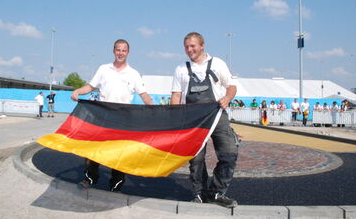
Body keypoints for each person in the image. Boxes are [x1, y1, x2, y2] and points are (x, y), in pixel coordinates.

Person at [71, 39, 153, 192]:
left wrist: (156, 109)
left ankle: (116, 183)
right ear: (113, 51)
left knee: (119, 152)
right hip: (102, 116)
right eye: (118, 50)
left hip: (122, 119)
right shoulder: (103, 69)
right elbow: (90, 86)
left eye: (123, 50)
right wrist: (77, 91)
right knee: (93, 149)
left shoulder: (133, 73)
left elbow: (144, 95)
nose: (120, 53)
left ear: (128, 52)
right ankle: (90, 178)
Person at [171, 32, 238, 207]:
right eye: (186, 47)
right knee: (196, 160)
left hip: (217, 115)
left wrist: (227, 98)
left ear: (202, 46)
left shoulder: (217, 64)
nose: (189, 50)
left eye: (192, 46)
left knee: (230, 153)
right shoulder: (181, 69)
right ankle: (199, 194)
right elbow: (176, 95)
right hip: (192, 119)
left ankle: (216, 192)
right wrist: (175, 118)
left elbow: (231, 86)